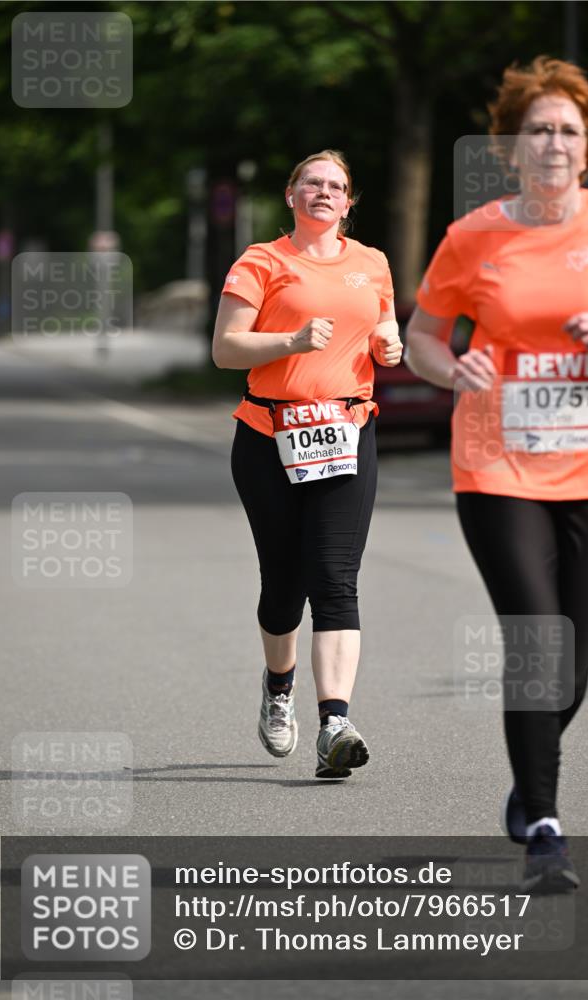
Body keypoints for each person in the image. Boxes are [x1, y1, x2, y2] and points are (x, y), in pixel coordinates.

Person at [406, 56, 588, 890]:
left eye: (568, 131)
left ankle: (527, 771)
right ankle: (545, 828)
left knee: (571, 666)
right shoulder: (472, 237)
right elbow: (423, 336)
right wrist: (450, 370)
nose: (553, 143)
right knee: (535, 647)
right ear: (509, 146)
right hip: (498, 466)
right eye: (537, 130)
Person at [212, 149, 402, 779]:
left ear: (349, 203)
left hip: (347, 433)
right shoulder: (261, 262)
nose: (325, 192)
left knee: (335, 578)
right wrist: (291, 342)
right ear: (291, 194)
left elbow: (384, 327)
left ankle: (335, 724)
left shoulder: (371, 263)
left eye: (338, 186)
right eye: (313, 183)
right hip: (270, 436)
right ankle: (278, 685)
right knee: (283, 584)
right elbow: (225, 348)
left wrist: (390, 343)